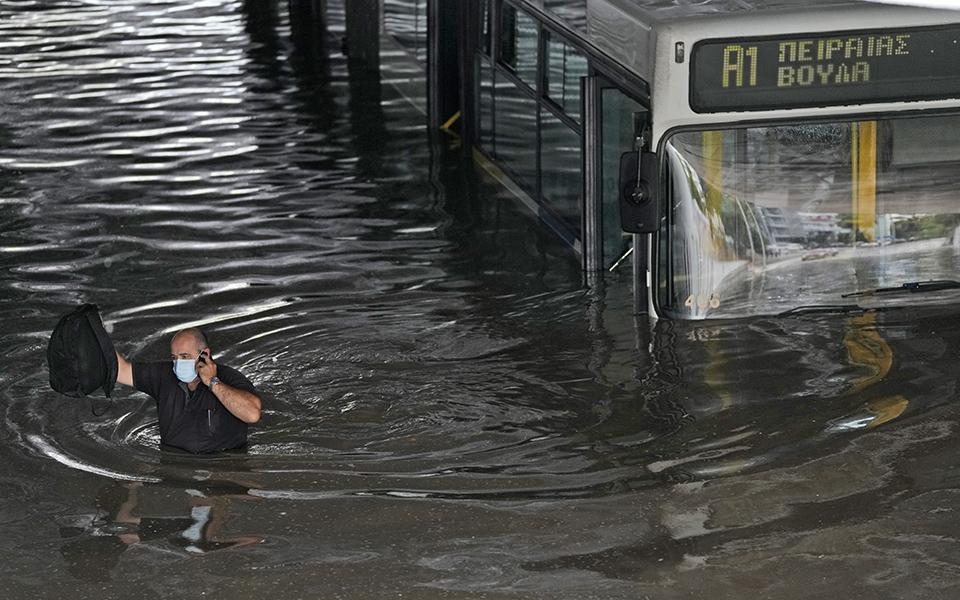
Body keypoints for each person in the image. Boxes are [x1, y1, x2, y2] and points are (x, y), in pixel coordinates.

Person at [115, 327, 261, 453]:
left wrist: (213, 382)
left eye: (185, 356)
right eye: (175, 357)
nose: (179, 363)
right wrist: (96, 328)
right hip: (173, 462)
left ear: (205, 354)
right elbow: (120, 370)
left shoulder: (229, 377)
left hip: (223, 466)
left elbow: (252, 414)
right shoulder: (164, 375)